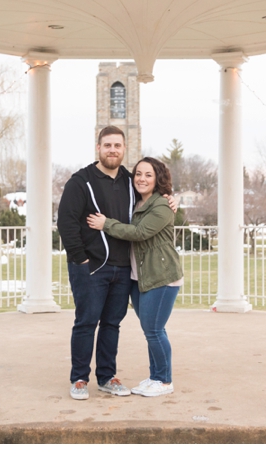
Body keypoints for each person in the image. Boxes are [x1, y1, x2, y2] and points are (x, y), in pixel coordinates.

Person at [56, 126, 176, 400]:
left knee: (112, 323)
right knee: (86, 323)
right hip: (90, 267)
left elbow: (151, 196)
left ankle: (107, 376)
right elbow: (66, 222)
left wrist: (170, 200)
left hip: (123, 269)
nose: (112, 150)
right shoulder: (80, 181)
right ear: (98, 148)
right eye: (107, 145)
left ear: (124, 149)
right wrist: (81, 259)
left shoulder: (129, 180)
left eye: (117, 146)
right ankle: (79, 379)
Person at [87, 156, 183, 397]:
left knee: (154, 330)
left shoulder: (161, 205)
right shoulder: (137, 203)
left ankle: (164, 381)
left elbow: (139, 232)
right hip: (140, 277)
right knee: (153, 329)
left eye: (148, 175)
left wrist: (106, 224)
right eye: (138, 174)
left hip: (160, 277)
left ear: (158, 178)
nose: (142, 178)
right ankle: (155, 376)